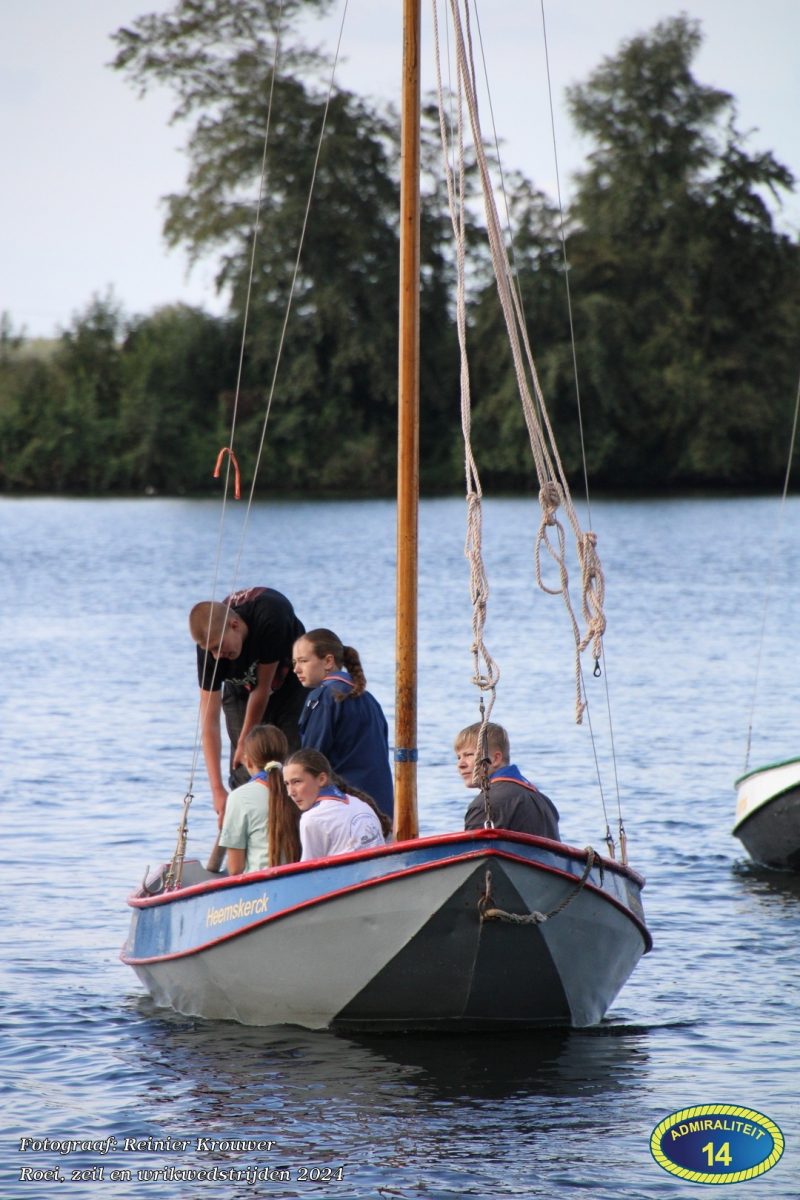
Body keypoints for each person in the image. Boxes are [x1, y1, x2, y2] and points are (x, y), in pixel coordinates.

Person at [190, 586, 305, 821]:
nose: (216, 656)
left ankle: (295, 823)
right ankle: (247, 823)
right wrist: (217, 790)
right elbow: (210, 721)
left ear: (235, 625)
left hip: (289, 682)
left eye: (218, 647)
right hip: (241, 689)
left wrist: (245, 741)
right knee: (244, 766)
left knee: (291, 761)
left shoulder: (270, 616)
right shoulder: (210, 651)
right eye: (210, 650)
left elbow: (262, 689)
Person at [293, 629, 394, 819]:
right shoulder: (369, 699)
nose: (296, 669)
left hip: (344, 808)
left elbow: (311, 759)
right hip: (381, 808)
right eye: (295, 662)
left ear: (328, 661)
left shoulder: (323, 697)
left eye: (303, 661)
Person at [455, 721, 560, 840]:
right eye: (458, 757)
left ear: (495, 759)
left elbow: (473, 850)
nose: (460, 764)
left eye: (469, 755)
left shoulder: (485, 805)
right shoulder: (544, 802)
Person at [218, 725, 301, 874]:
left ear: (248, 761)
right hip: (297, 878)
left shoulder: (239, 797)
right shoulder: (299, 791)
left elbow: (235, 869)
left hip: (258, 885)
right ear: (285, 756)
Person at [282, 748, 391, 862]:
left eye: (297, 782)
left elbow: (309, 870)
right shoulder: (360, 803)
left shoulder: (311, 819)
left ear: (321, 779)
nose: (290, 792)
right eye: (287, 784)